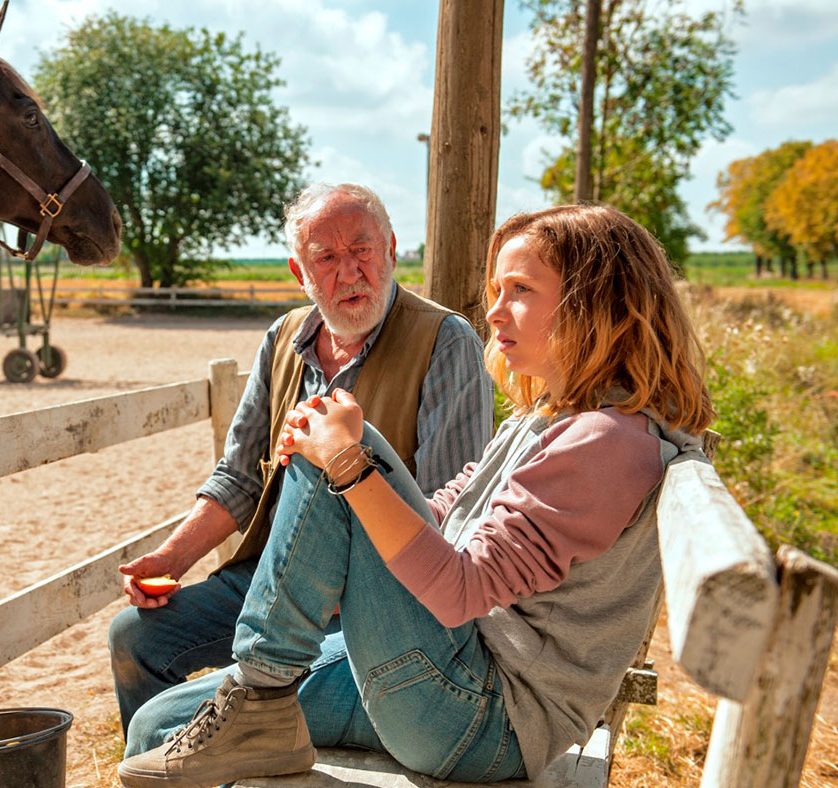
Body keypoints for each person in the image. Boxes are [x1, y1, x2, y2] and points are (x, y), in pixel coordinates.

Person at [117, 203, 714, 788]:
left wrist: (349, 466)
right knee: (157, 723)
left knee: (350, 447)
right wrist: (345, 496)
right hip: (445, 667)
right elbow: (439, 514)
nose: (496, 312)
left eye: (521, 290)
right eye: (497, 290)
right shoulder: (546, 418)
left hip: (486, 716)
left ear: (595, 302)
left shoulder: (607, 441)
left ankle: (259, 686)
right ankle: (259, 692)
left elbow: (462, 591)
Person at [108, 183, 494, 737]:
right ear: (299, 272)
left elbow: (446, 519)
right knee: (134, 638)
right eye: (327, 258)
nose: (350, 272)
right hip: (272, 577)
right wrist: (172, 557)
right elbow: (240, 477)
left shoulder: (445, 341)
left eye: (362, 250)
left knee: (227, 698)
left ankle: (215, 745)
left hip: (373, 602)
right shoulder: (283, 337)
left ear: (390, 249)